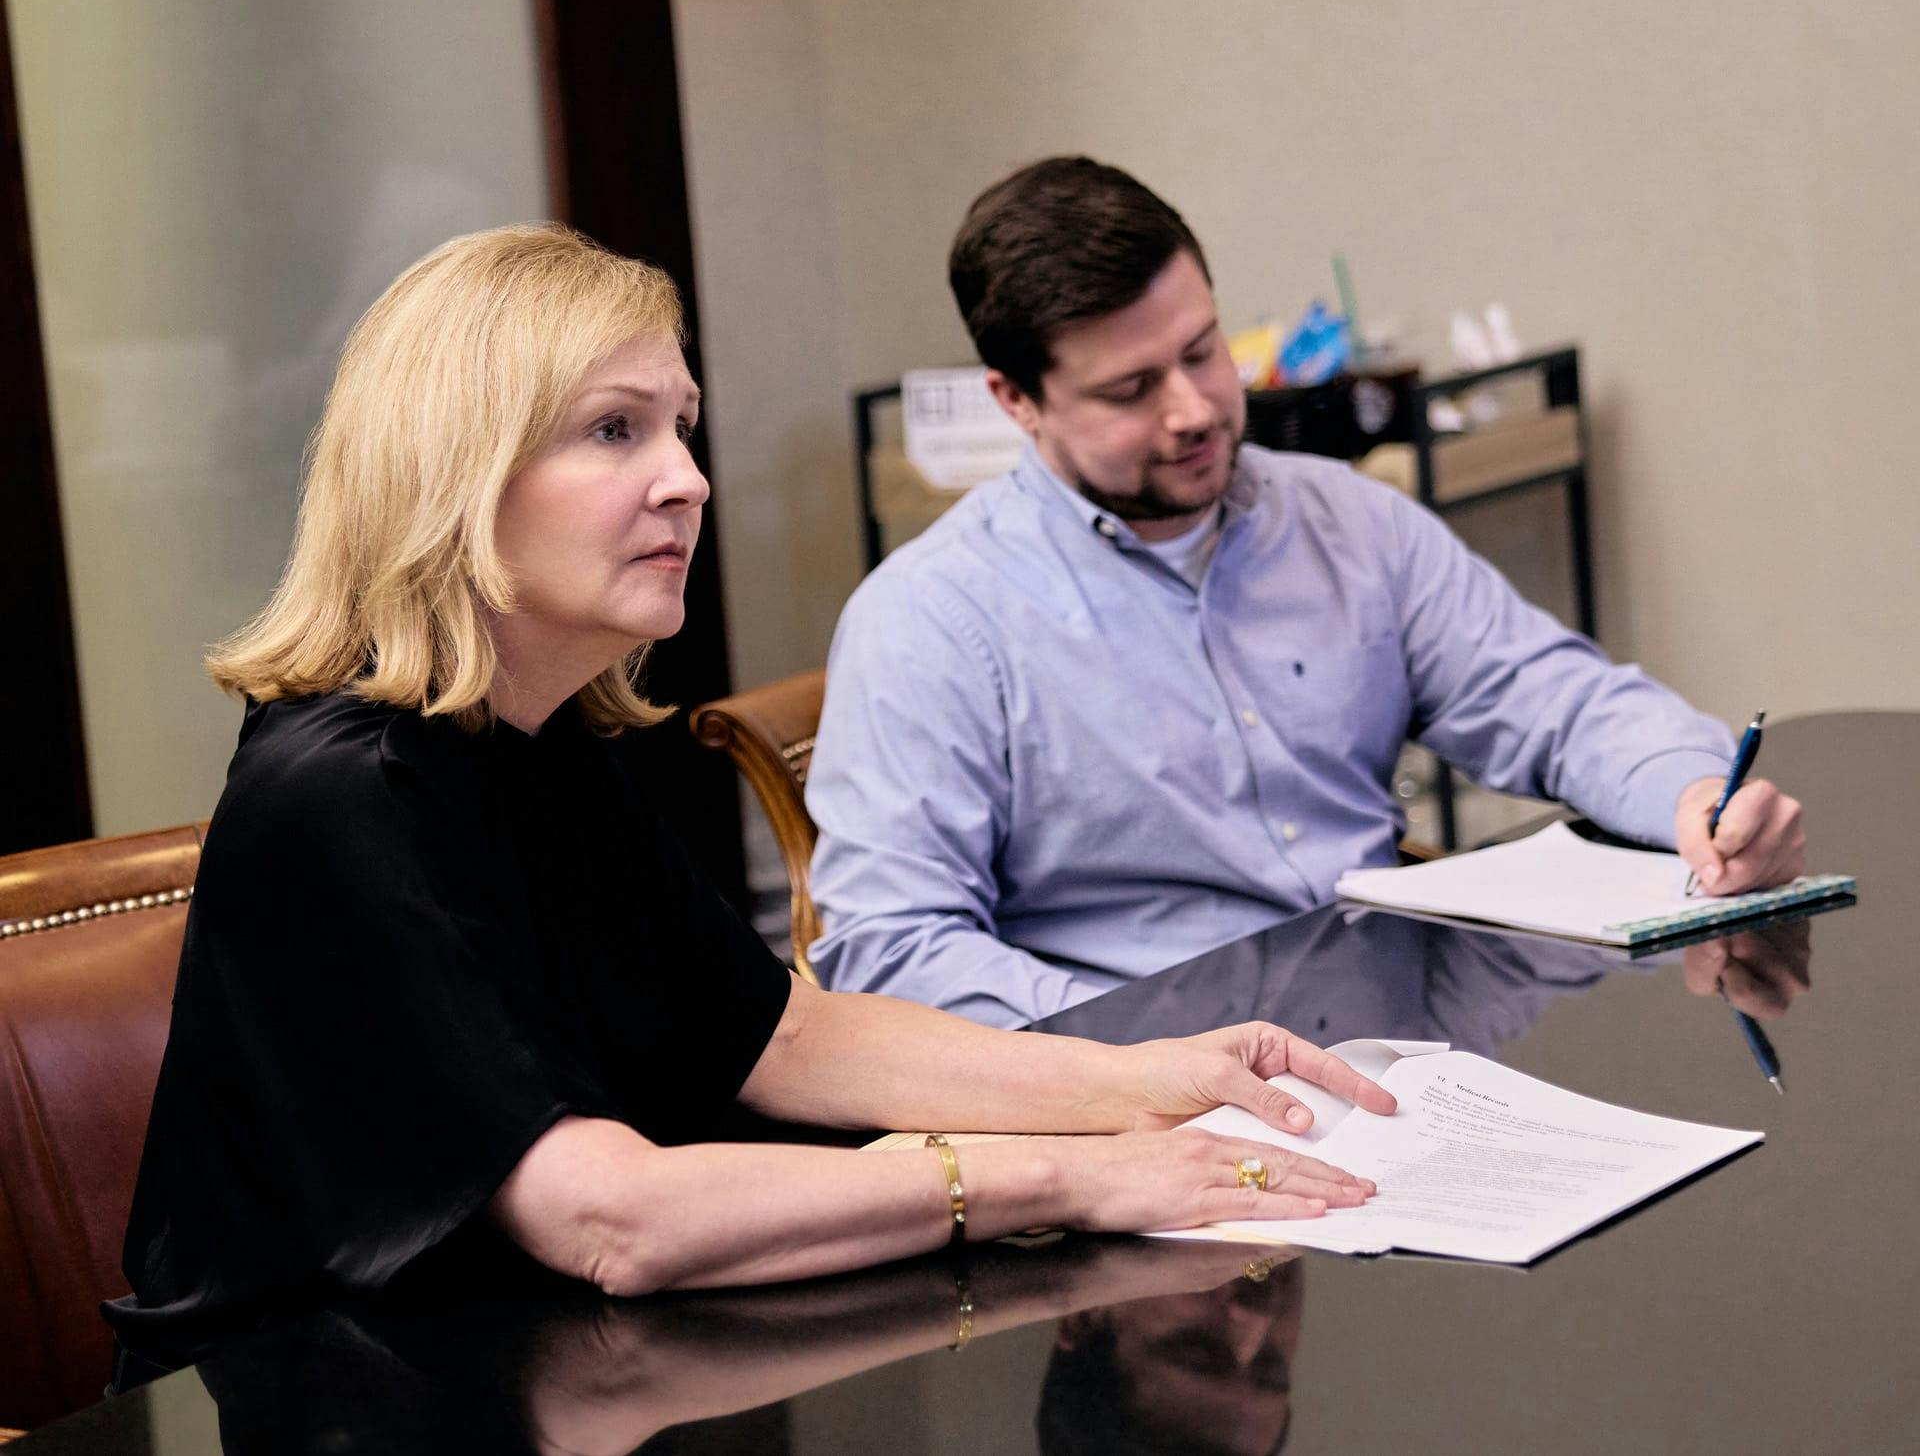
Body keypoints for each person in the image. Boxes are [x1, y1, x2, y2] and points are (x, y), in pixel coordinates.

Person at [103, 224, 1397, 1374]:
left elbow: (782, 1040)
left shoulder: (540, 739)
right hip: (329, 1399)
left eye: (681, 427)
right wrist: (1072, 1173)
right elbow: (612, 1218)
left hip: (565, 1366)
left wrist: (1138, 1078)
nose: (687, 478)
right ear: (458, 475)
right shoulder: (339, 794)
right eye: (617, 430)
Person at [806, 156, 1807, 1026]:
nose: (1193, 410)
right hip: (1147, 1109)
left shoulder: (1347, 524)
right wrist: (1122, 1044)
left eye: (1203, 352)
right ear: (1015, 400)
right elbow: (891, 948)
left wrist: (1696, 794)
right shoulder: (932, 622)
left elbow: (1556, 698)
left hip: (1398, 1045)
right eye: (1130, 389)